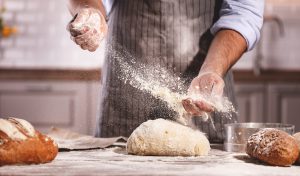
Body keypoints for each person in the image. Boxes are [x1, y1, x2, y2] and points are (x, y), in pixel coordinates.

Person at [67, 0, 264, 143]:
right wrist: (89, 11)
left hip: (205, 88)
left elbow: (243, 13)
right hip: (126, 96)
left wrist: (212, 69)